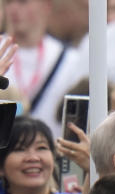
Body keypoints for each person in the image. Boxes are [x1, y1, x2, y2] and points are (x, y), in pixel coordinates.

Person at [3, 0, 80, 137]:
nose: (13, 9)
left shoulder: (70, 59)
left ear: (46, 6)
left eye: (23, 2)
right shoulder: (2, 52)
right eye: (8, 2)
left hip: (51, 150)